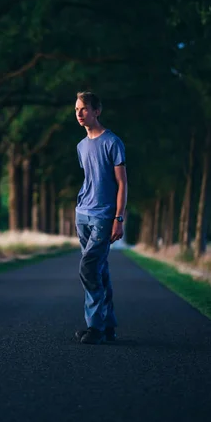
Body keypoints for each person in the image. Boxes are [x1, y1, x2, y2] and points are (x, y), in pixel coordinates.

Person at [74, 91, 127, 345]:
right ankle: (108, 327)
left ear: (97, 111)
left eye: (84, 109)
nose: (79, 113)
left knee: (89, 267)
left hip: (104, 216)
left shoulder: (113, 142)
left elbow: (121, 183)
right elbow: (89, 179)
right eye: (76, 110)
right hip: (82, 214)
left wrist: (119, 217)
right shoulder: (81, 146)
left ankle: (94, 327)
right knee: (100, 270)